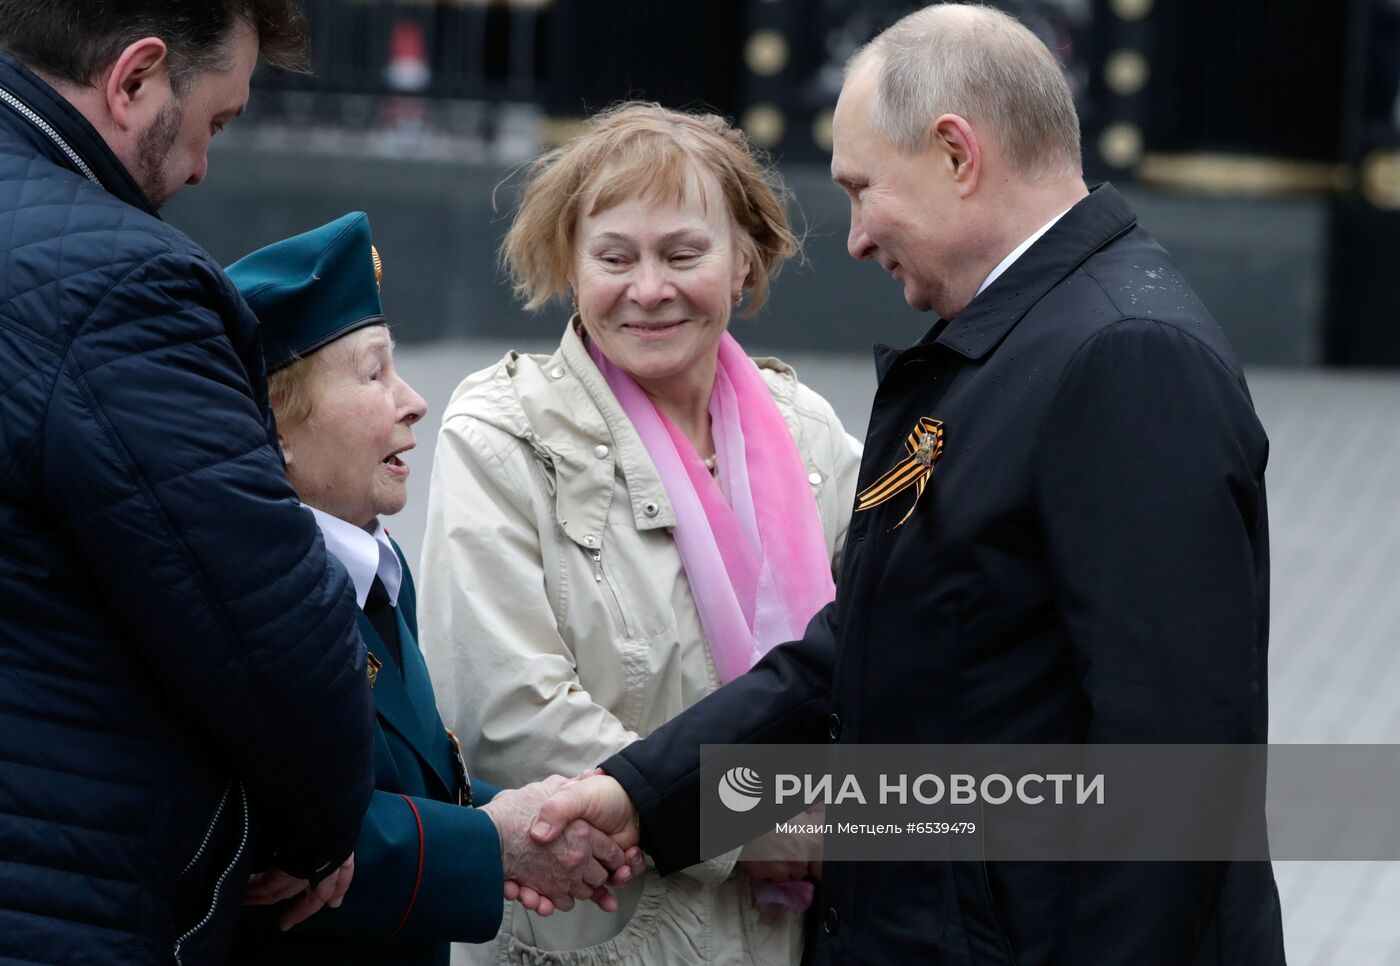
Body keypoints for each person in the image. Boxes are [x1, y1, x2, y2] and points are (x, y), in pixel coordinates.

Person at [527, 6, 1287, 964]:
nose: (851, 237)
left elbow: (1171, 771)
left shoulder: (1124, 356)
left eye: (861, 190)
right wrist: (644, 793)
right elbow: (859, 655)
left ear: (956, 154)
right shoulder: (1014, 345)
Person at [417, 102, 862, 964]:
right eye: (613, 257)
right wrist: (743, 822)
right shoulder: (504, 434)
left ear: (744, 263)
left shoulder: (813, 434)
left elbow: (878, 668)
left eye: (684, 254)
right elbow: (503, 708)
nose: (648, 288)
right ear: (570, 266)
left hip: (786, 938)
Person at [0, 4, 377, 963]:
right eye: (216, 122)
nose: (204, 167)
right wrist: (318, 827)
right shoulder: (115, 283)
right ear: (134, 81)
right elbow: (268, 634)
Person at [223, 213, 643, 966]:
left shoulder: (375, 571)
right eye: (373, 373)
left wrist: (541, 820)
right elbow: (273, 850)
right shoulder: (242, 595)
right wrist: (495, 841)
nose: (413, 400)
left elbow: (416, 778)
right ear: (274, 423)